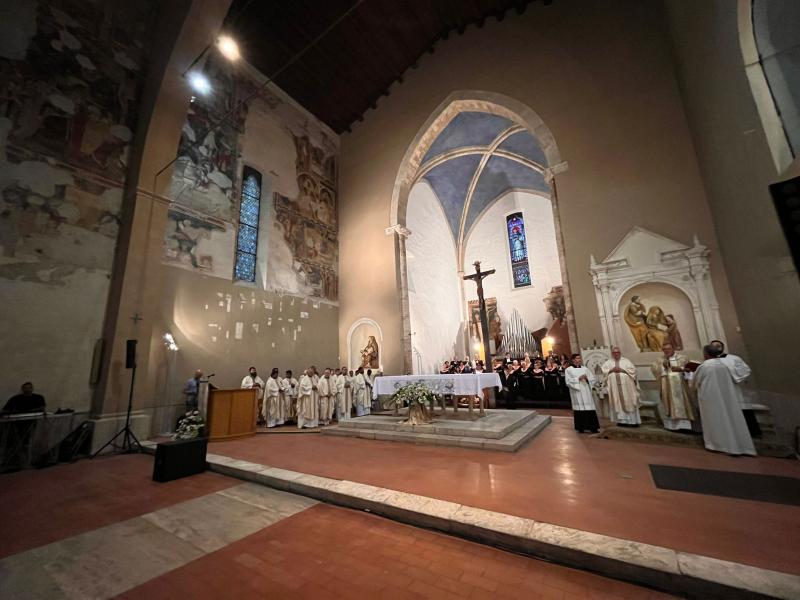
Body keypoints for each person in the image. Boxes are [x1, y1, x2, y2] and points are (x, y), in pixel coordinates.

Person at [693, 345, 757, 456]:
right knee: (731, 418)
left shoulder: (705, 366)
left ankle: (717, 444)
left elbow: (695, 382)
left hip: (710, 398)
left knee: (715, 420)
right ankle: (739, 446)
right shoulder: (725, 365)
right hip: (727, 397)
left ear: (706, 354)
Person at [709, 340, 759, 436]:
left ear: (722, 347)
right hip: (720, 390)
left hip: (735, 388)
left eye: (718, 346)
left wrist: (733, 377)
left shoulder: (733, 358)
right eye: (713, 346)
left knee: (742, 408)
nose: (716, 348)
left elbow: (745, 370)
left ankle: (752, 432)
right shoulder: (710, 362)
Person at [650, 343, 694, 431]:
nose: (666, 351)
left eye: (668, 349)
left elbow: (689, 371)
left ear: (673, 349)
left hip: (681, 386)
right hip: (667, 386)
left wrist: (682, 369)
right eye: (664, 349)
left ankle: (685, 426)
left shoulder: (683, 358)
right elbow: (654, 370)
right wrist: (663, 367)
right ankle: (671, 426)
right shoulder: (659, 360)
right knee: (669, 404)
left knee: (683, 403)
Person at [601, 347, 641, 426]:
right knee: (617, 402)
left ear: (620, 353)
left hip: (627, 388)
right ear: (612, 354)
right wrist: (611, 370)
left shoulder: (626, 361)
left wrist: (623, 370)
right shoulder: (608, 362)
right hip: (615, 388)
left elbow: (633, 371)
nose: (616, 354)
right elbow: (604, 371)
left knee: (629, 401)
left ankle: (633, 421)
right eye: (614, 353)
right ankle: (621, 421)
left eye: (617, 352)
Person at [565, 354, 600, 433]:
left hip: (586, 390)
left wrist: (587, 378)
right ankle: (581, 427)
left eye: (580, 358)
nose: (579, 360)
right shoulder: (568, 370)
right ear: (573, 360)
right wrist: (578, 378)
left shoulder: (585, 369)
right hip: (577, 392)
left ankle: (593, 428)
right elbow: (568, 382)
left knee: (589, 408)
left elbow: (592, 379)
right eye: (577, 358)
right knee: (579, 408)